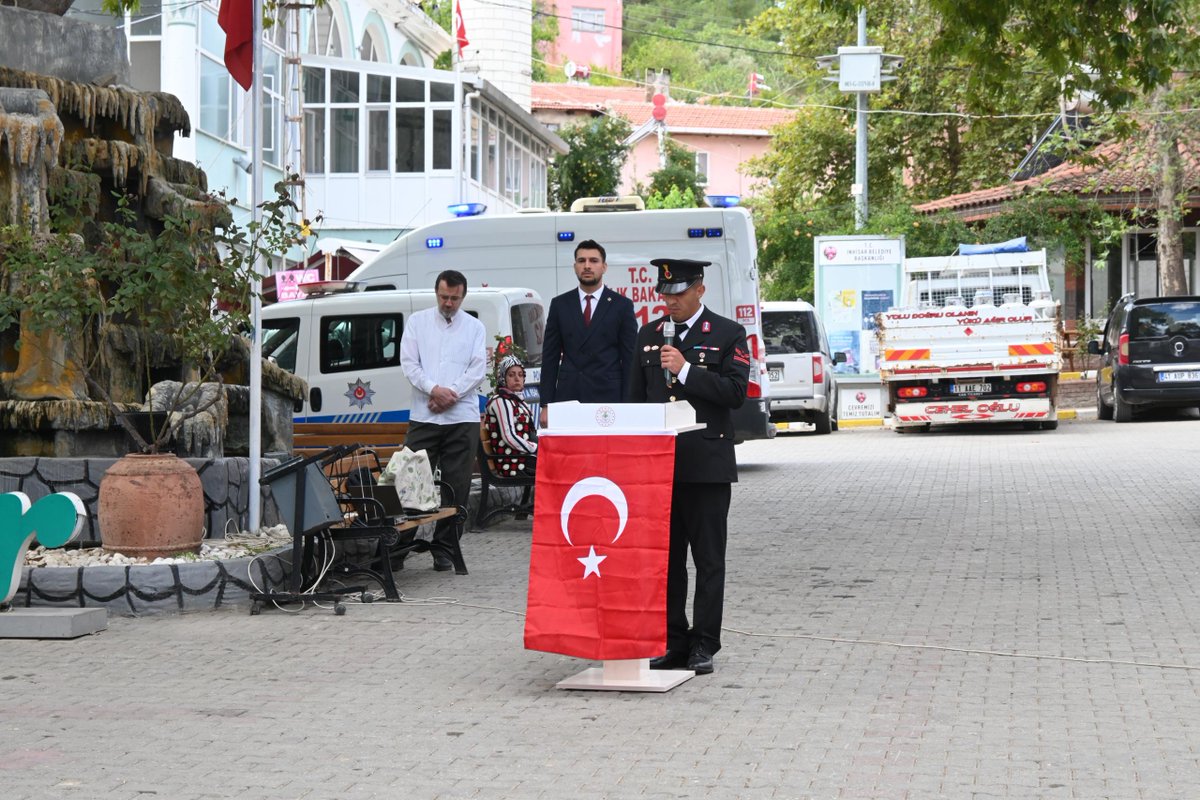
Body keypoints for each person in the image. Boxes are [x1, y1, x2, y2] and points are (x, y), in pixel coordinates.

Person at [627, 258, 750, 675]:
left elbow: (735, 393)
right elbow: (635, 401)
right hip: (659, 467)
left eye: (678, 293)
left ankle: (705, 643)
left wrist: (686, 370)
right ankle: (671, 640)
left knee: (709, 559)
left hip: (706, 464)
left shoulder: (729, 333)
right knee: (668, 560)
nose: (670, 302)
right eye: (665, 294)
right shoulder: (647, 335)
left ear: (700, 290)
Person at [399, 270, 487, 571]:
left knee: (456, 485)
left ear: (463, 296)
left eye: (454, 298)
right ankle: (400, 546)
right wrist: (433, 390)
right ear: (436, 292)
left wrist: (451, 395)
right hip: (425, 415)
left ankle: (445, 547)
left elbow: (477, 369)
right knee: (410, 481)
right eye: (444, 297)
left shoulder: (474, 327)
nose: (448, 303)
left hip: (461, 417)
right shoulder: (418, 322)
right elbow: (409, 363)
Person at [539, 239, 637, 427]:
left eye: (593, 261)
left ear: (604, 266)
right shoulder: (560, 304)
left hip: (609, 398)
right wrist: (546, 404)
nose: (587, 266)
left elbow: (630, 359)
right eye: (581, 261)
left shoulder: (621, 306)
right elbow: (550, 357)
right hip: (568, 397)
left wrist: (629, 404)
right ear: (575, 266)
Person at [484, 354, 538, 476]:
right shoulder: (501, 401)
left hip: (524, 459)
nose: (517, 379)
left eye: (520, 375)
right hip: (513, 464)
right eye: (511, 375)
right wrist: (535, 448)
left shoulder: (516, 400)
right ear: (503, 378)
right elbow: (509, 436)